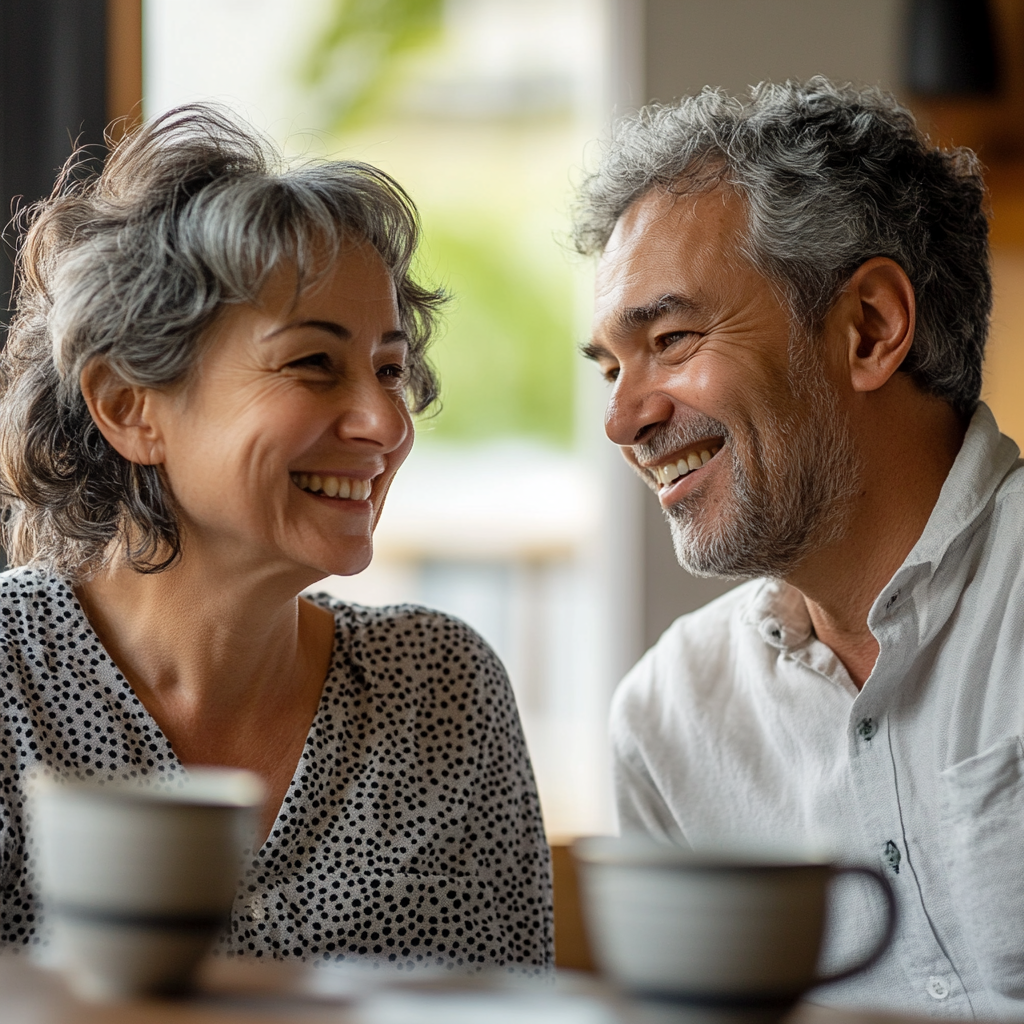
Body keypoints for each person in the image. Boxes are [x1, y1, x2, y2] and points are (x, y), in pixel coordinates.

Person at [0, 105, 552, 970]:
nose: (383, 422)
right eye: (312, 363)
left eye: (390, 369)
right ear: (128, 407)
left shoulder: (442, 692)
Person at [574, 78, 1023, 1017]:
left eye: (673, 337)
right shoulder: (669, 719)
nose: (623, 417)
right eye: (613, 367)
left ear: (870, 329)